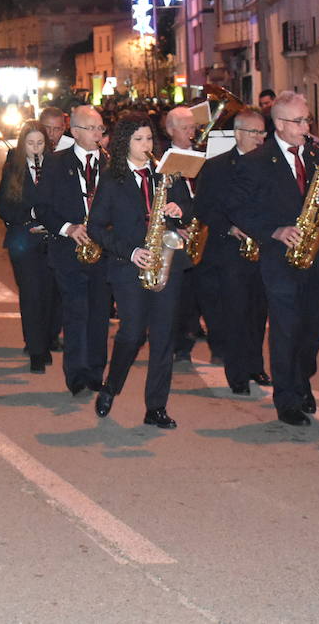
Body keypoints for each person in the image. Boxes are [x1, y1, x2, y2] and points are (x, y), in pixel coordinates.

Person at [228, 92, 319, 426]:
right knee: (286, 329)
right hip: (280, 259)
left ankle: (301, 375)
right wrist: (274, 231)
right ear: (279, 124)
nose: (307, 126)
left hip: (317, 255)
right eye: (300, 120)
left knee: (315, 326)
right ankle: (288, 398)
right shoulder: (255, 162)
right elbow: (237, 209)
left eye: (308, 119)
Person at [88, 113, 189, 429]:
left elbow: (190, 206)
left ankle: (155, 408)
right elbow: (95, 227)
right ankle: (111, 386)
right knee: (132, 334)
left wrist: (178, 209)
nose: (146, 146)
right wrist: (130, 252)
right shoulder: (112, 178)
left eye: (149, 139)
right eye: (138, 140)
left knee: (163, 338)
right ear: (124, 144)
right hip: (127, 266)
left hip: (165, 263)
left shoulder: (165, 174)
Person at [32, 104, 111, 396]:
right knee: (76, 313)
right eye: (92, 128)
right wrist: (68, 227)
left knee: (100, 314)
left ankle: (96, 372)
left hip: (103, 250)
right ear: (75, 132)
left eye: (101, 128)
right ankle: (76, 374)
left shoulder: (111, 163)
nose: (99, 134)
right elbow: (42, 208)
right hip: (68, 250)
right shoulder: (54, 163)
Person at [193, 108, 270, 393]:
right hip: (229, 251)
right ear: (237, 134)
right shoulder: (216, 166)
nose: (260, 138)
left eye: (263, 132)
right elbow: (203, 208)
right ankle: (237, 374)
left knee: (259, 314)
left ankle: (256, 366)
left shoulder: (271, 164)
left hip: (264, 249)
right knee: (235, 314)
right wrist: (229, 227)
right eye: (254, 132)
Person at [0, 120, 59, 373]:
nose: (36, 149)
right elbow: (4, 206)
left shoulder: (55, 166)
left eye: (40, 143)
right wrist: (31, 213)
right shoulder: (14, 167)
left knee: (52, 296)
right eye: (30, 144)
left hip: (52, 239)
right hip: (24, 239)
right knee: (32, 295)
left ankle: (46, 340)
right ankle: (35, 350)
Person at [160, 105, 202, 361]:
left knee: (198, 293)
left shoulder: (204, 157)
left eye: (193, 127)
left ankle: (191, 334)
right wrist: (178, 225)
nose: (191, 132)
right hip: (176, 235)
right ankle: (178, 342)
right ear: (170, 130)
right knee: (178, 295)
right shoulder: (163, 161)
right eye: (185, 128)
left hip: (201, 233)